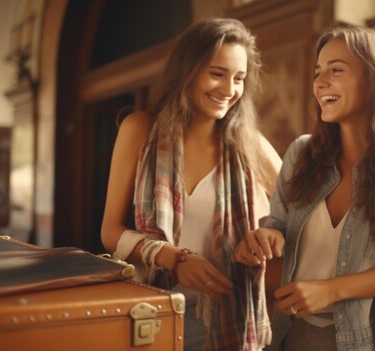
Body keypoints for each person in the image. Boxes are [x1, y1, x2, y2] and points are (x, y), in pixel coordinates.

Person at [233, 25, 375, 351]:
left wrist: (331, 289)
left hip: (373, 338)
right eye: (317, 72)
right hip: (289, 333)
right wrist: (268, 236)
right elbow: (278, 223)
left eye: (336, 70)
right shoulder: (301, 153)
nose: (320, 82)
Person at [101, 18, 281, 350]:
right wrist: (175, 258)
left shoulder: (249, 143)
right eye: (217, 74)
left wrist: (267, 234)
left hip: (233, 317)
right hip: (152, 308)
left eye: (238, 79)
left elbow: (298, 213)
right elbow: (110, 231)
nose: (229, 90)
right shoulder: (140, 129)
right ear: (187, 71)